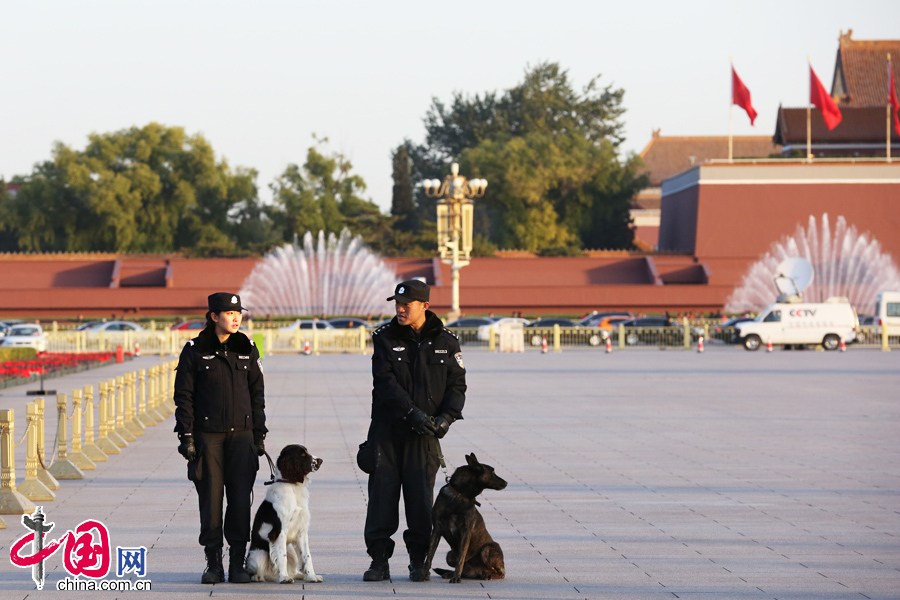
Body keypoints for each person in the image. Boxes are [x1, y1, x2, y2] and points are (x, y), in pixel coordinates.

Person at [363, 280, 467, 582]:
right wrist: (412, 413)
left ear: (424, 306)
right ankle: (379, 561)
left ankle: (419, 559)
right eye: (397, 303)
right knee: (382, 499)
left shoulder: (447, 341)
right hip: (388, 432)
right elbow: (384, 382)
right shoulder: (384, 337)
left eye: (406, 304)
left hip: (424, 437)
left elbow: (457, 385)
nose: (400, 309)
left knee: (420, 499)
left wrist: (446, 419)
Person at [173, 292, 267, 584]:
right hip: (207, 437)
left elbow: (257, 394)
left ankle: (237, 562)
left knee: (240, 501)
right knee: (211, 501)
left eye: (238, 313)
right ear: (214, 317)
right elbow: (183, 396)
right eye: (229, 313)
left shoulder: (247, 348)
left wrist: (259, 434)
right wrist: (186, 435)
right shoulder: (194, 350)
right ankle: (213, 562)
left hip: (242, 436)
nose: (236, 318)